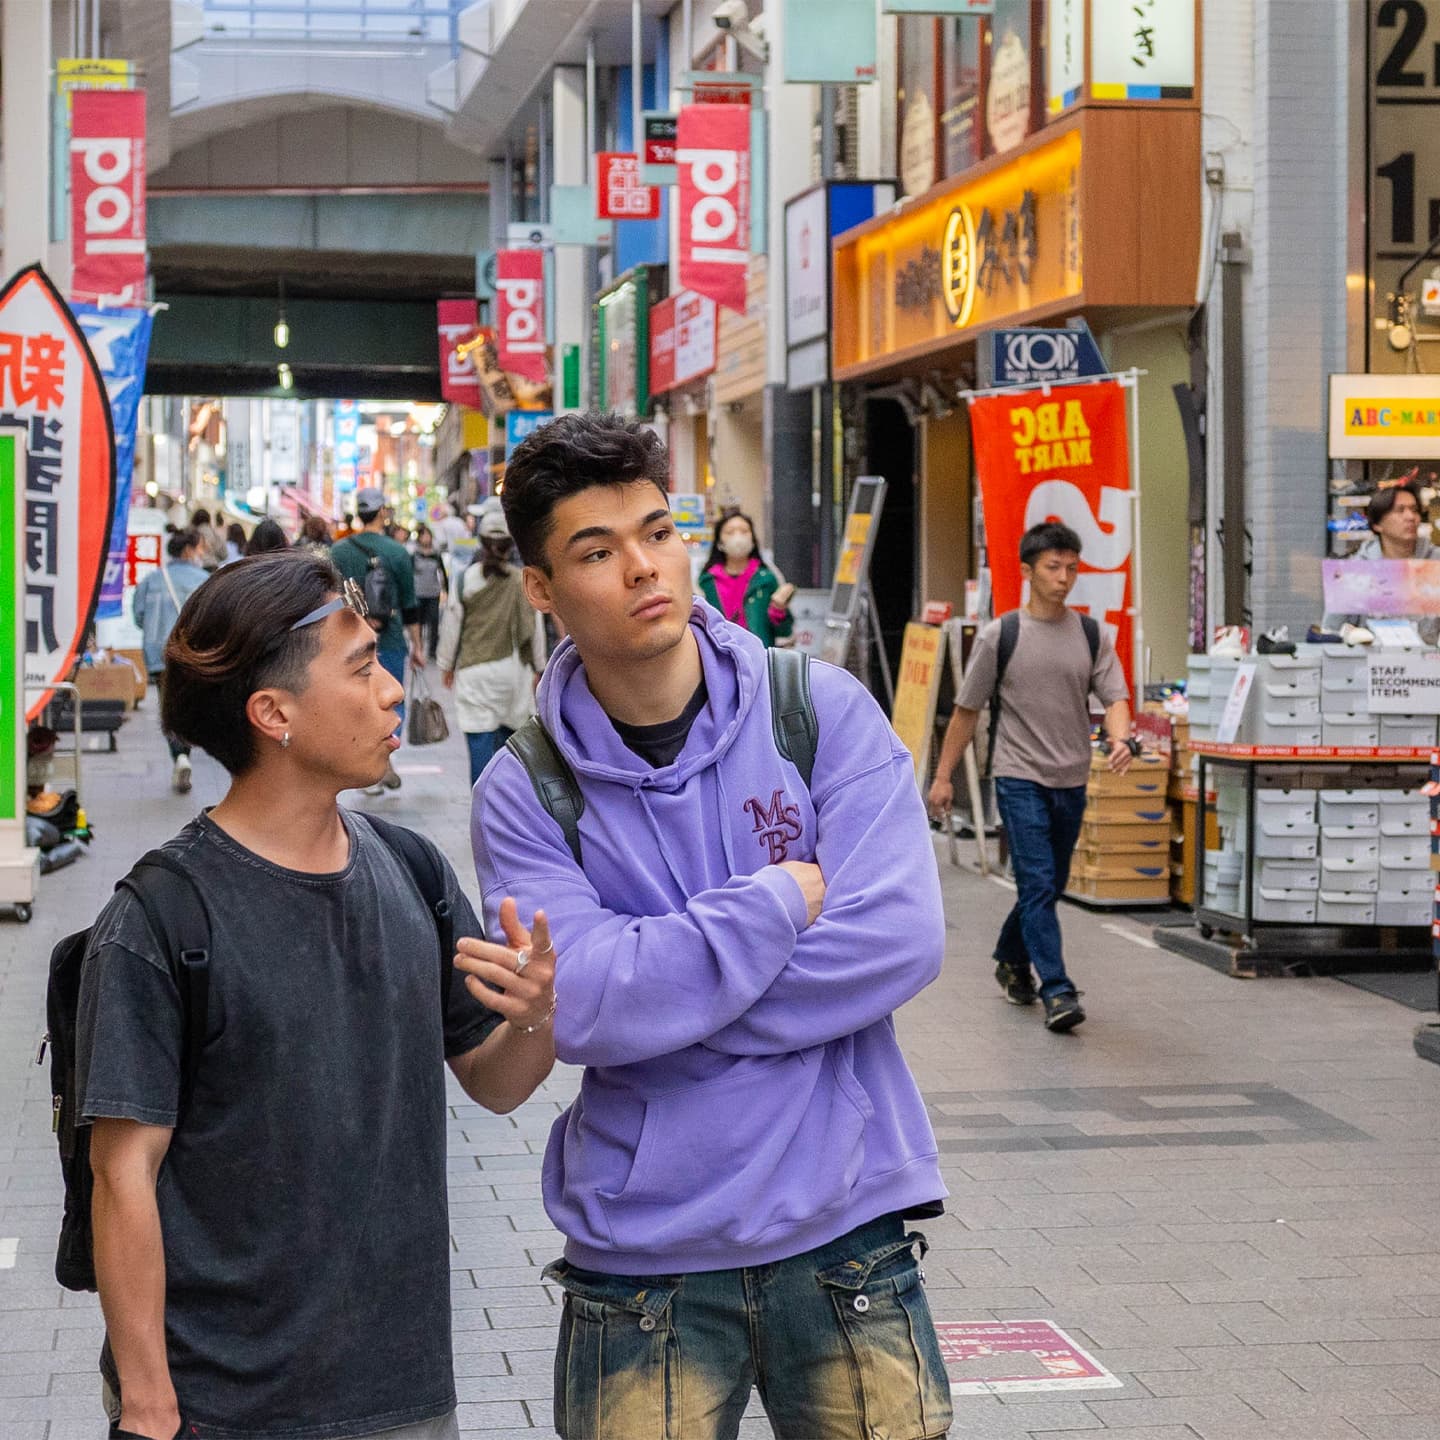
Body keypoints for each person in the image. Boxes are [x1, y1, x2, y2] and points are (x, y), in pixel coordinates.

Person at [472, 412, 952, 1440]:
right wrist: (781, 900)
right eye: (597, 551)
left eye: (658, 531)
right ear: (544, 591)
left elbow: (901, 939)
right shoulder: (525, 788)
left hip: (846, 1232)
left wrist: (667, 1000)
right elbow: (588, 1007)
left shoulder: (818, 711)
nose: (644, 567)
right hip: (644, 1265)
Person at [76, 550, 557, 1440]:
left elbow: (494, 1082)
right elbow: (122, 1173)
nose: (390, 690)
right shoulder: (161, 916)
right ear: (274, 714)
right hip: (223, 1403)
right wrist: (148, 1405)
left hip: (404, 1389)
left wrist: (537, 1012)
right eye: (364, 665)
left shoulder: (410, 869)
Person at [928, 520, 1134, 1033]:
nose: (1064, 578)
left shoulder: (1091, 634)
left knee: (1049, 884)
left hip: (1072, 775)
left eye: (1071, 568)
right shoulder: (1003, 635)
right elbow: (967, 709)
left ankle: (1009, 955)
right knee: (1038, 881)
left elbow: (1115, 699)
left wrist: (1122, 738)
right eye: (1052, 567)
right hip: (1018, 774)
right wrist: (943, 777)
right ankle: (1058, 990)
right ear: (1027, 571)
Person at [330, 487, 426, 792]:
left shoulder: (339, 551)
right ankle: (383, 761)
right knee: (390, 701)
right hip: (391, 637)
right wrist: (419, 646)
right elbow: (410, 604)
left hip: (349, 639)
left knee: (356, 701)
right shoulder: (397, 552)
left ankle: (367, 770)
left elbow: (331, 599)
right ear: (382, 511)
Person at [437, 507, 537, 786]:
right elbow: (535, 629)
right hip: (514, 672)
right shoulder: (521, 580)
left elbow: (451, 627)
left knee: (479, 742)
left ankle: (483, 809)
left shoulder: (465, 579)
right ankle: (508, 809)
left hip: (474, 672)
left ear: (481, 543)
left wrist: (446, 665)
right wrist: (540, 667)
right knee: (511, 749)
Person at [131, 529, 209, 794]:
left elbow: (139, 616)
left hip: (159, 653)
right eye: (200, 547)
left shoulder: (152, 580)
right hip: (192, 653)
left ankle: (178, 754)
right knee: (187, 703)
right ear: (188, 550)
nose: (202, 552)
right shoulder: (204, 580)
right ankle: (184, 750)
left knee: (168, 703)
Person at [1322, 481, 1439, 644]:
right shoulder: (1354, 569)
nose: (1410, 517)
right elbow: (1330, 633)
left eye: (1415, 510)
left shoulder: (1436, 564)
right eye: (1400, 510)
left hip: (1429, 664)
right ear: (1377, 524)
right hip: (1371, 665)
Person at [697, 509, 795, 647]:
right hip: (720, 661)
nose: (738, 537)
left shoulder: (767, 579)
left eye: (744, 531)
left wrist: (778, 609)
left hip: (759, 660)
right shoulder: (706, 582)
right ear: (719, 541)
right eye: (730, 532)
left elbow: (784, 633)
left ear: (753, 539)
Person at [411, 524, 449, 660]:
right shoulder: (414, 554)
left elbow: (442, 573)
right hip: (418, 592)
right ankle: (418, 647)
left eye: (428, 535)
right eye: (423, 535)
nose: (426, 538)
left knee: (434, 621)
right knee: (419, 622)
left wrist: (446, 590)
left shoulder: (436, 554)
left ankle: (433, 650)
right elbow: (409, 574)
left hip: (433, 592)